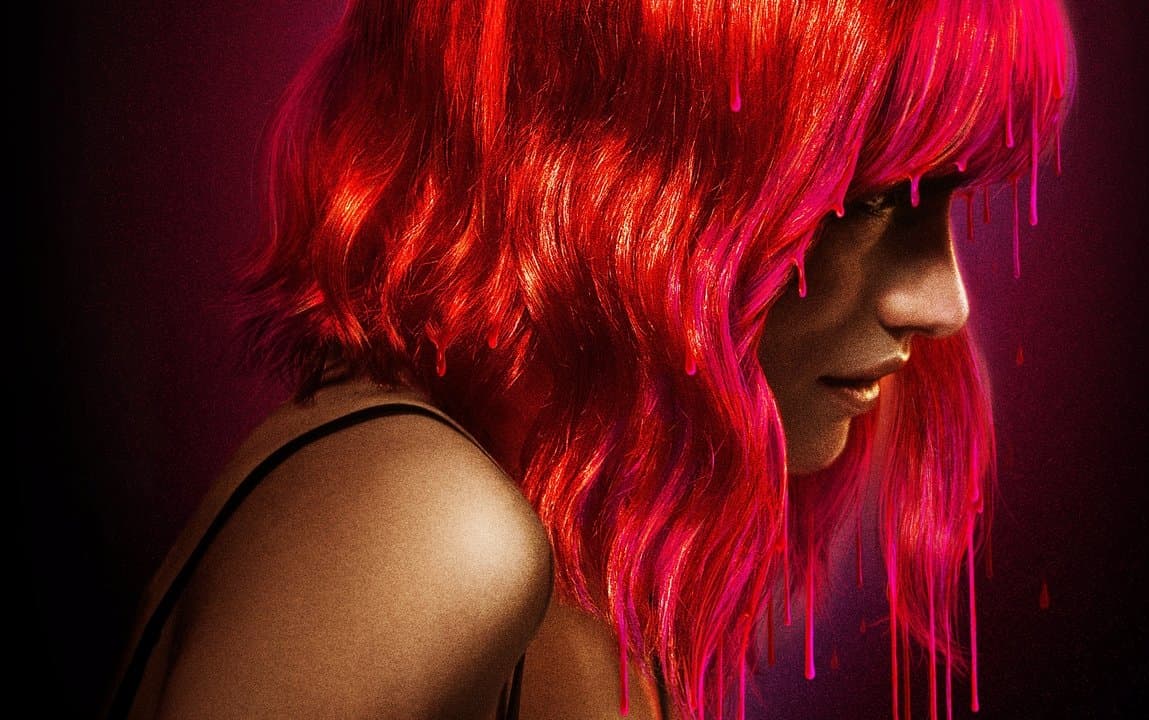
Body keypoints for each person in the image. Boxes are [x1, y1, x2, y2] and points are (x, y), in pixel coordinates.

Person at [103, 0, 1075, 718]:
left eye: (946, 200)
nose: (942, 304)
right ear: (611, 167)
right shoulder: (434, 526)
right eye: (866, 201)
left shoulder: (564, 550)